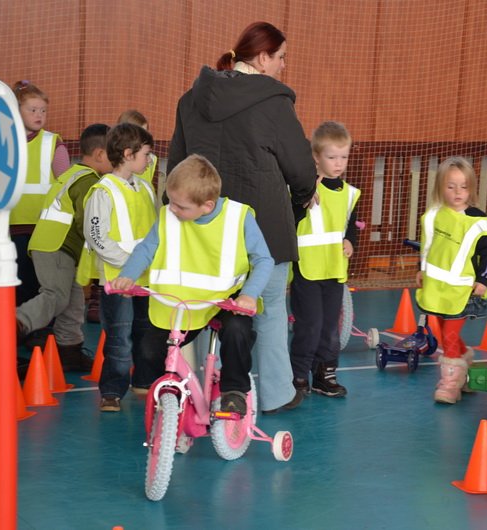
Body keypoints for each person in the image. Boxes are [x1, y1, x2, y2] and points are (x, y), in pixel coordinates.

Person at [167, 21, 317, 414]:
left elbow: (176, 167)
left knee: (204, 310)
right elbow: (301, 169)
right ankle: (277, 395)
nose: (283, 65)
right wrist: (300, 203)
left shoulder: (191, 100)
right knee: (268, 312)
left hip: (203, 229)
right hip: (264, 228)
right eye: (281, 57)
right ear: (263, 57)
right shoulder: (274, 102)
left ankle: (203, 393)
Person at [110, 154, 274, 414]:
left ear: (207, 206)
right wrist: (128, 275)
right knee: (149, 349)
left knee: (237, 331)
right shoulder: (168, 216)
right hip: (179, 302)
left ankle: (234, 391)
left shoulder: (238, 217)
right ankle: (170, 393)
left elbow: (264, 260)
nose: (172, 209)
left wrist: (249, 295)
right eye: (170, 201)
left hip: (225, 300)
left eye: (180, 206)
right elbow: (146, 249)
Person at [16, 124, 113, 371]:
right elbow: (88, 221)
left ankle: (69, 351)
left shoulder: (74, 173)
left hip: (57, 247)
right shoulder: (88, 181)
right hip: (56, 246)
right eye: (113, 154)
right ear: (100, 154)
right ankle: (14, 324)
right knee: (56, 296)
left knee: (73, 302)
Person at [81, 123, 157, 412]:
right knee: (118, 337)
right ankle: (112, 390)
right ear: (128, 154)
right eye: (146, 154)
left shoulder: (146, 188)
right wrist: (129, 264)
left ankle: (144, 381)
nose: (149, 160)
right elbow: (96, 236)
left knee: (145, 332)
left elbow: (155, 232)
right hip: (117, 279)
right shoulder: (103, 191)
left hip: (146, 279)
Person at [415, 157, 487, 404]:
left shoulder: (478, 221)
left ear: (471, 189)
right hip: (436, 288)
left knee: (450, 333)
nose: (458, 192)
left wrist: (483, 280)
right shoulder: (433, 216)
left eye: (463, 186)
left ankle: (451, 384)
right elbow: (427, 246)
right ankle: (464, 366)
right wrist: (422, 269)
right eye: (451, 186)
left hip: (462, 290)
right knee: (444, 333)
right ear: (441, 187)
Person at [290, 121, 360, 399]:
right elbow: (291, 220)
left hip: (334, 270)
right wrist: (303, 200)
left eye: (344, 156)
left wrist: (350, 240)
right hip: (308, 270)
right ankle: (298, 375)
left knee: (330, 327)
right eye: (332, 157)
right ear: (316, 157)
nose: (339, 163)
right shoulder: (303, 189)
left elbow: (351, 224)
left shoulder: (350, 193)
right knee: (309, 326)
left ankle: (325, 374)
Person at [11, 81, 70, 306]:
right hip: (11, 226)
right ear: (16, 111)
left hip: (44, 228)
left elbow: (65, 185)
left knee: (42, 284)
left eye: (43, 110)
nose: (39, 115)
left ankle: (40, 325)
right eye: (33, 110)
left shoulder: (53, 142)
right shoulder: (3, 141)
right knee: (16, 282)